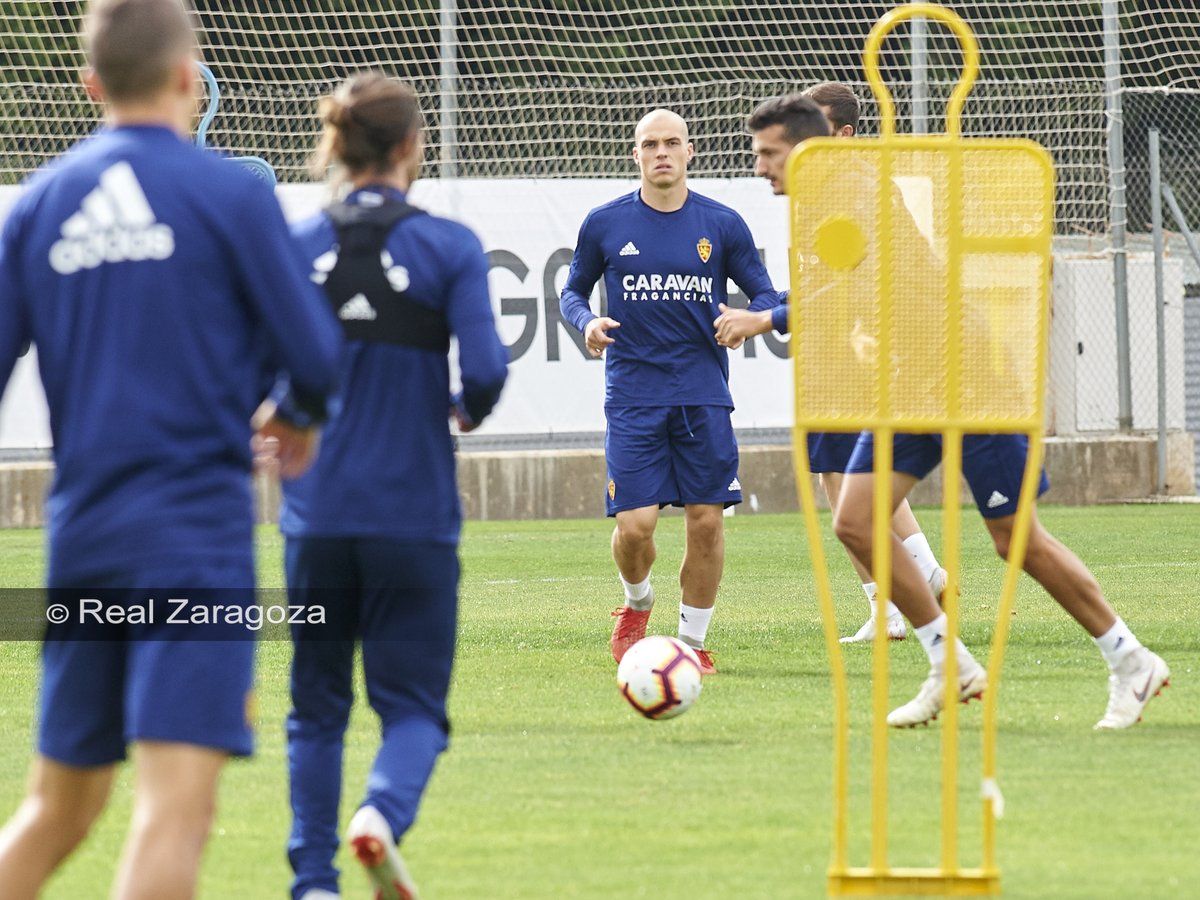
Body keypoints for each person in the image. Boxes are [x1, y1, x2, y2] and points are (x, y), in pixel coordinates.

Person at [0, 1, 341, 897]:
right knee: (172, 813)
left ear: (90, 84)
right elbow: (313, 356)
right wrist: (296, 419)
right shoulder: (232, 192)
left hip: (80, 542)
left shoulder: (37, 206)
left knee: (58, 809)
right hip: (192, 542)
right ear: (190, 79)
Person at [279, 73, 509, 900]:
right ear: (413, 146)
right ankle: (380, 814)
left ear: (336, 147)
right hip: (414, 517)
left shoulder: (295, 247)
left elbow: (266, 380)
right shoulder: (448, 247)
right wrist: (460, 406)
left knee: (316, 711)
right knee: (412, 709)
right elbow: (484, 373)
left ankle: (313, 881)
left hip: (315, 517)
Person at [716, 86, 949, 644]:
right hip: (860, 347)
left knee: (855, 489)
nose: (765, 164)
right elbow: (834, 281)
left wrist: (766, 320)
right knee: (839, 472)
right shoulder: (822, 193)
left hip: (900, 352)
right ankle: (913, 584)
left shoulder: (853, 189)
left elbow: (859, 283)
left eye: (774, 150)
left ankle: (904, 598)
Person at [560, 109, 783, 675]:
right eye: (650, 144)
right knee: (635, 527)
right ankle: (636, 604)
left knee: (706, 520)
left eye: (672, 143)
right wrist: (586, 321)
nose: (661, 152)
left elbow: (766, 296)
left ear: (690, 152)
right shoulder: (604, 223)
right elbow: (572, 292)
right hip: (633, 395)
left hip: (703, 395)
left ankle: (693, 643)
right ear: (635, 155)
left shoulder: (722, 224)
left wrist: (752, 319)